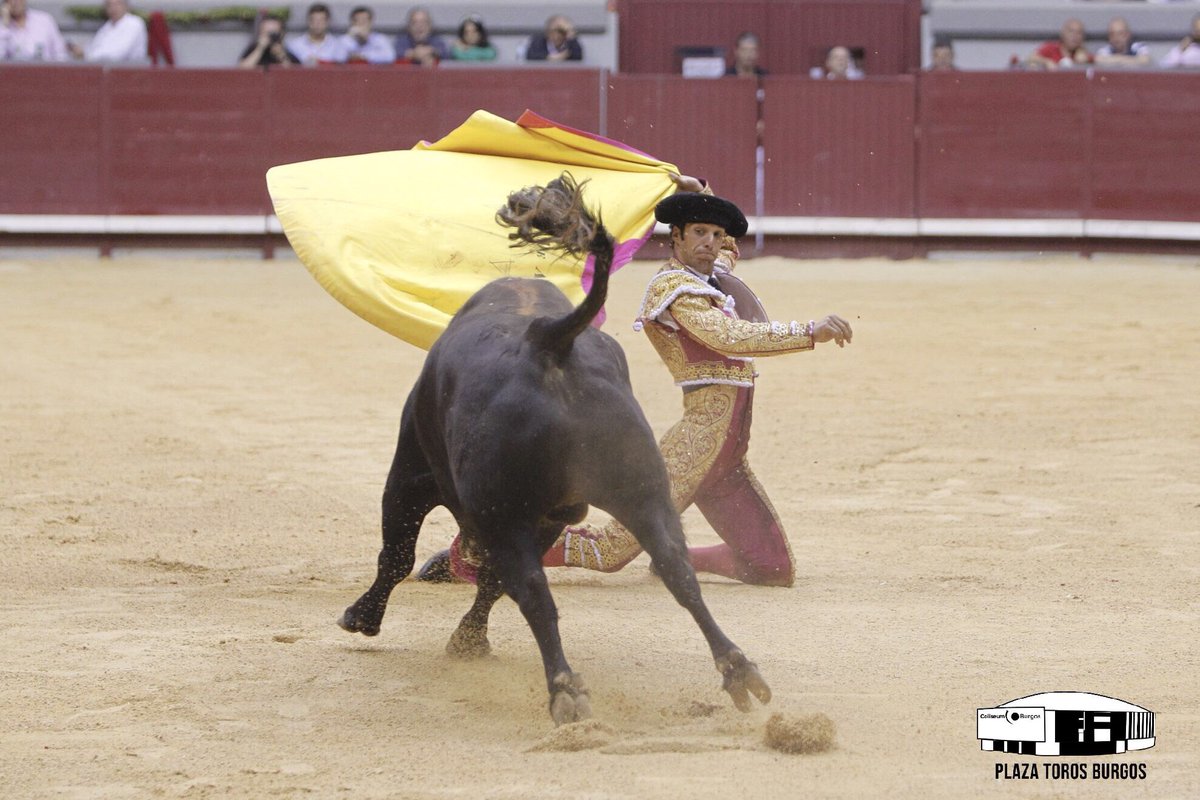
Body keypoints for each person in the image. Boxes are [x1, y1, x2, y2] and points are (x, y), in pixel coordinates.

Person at [420, 175, 853, 587]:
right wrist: (808, 331)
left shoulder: (709, 274)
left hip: (727, 458)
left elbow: (727, 250)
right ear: (676, 236)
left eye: (717, 234)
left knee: (770, 568)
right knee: (608, 551)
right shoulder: (674, 289)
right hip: (698, 445)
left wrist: (702, 194)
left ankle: (675, 557)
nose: (711, 242)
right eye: (699, 232)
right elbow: (727, 336)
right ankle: (483, 548)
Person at [67, 0, 146, 62]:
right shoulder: (107, 26)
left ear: (126, 6)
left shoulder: (134, 23)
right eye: (109, 5)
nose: (113, 8)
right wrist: (82, 52)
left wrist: (86, 55)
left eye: (117, 4)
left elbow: (116, 54)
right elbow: (94, 48)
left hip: (129, 72)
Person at [1, 0, 68, 61]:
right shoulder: (3, 26)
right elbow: (1, 57)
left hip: (45, 69)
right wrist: (4, 26)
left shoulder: (44, 20)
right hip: (15, 70)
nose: (15, 2)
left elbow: (60, 53)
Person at [1027, 18, 1092, 70]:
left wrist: (1084, 63)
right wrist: (1046, 62)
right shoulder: (1051, 48)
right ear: (1063, 33)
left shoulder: (1082, 53)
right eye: (1071, 31)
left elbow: (1096, 60)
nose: (1074, 36)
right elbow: (1031, 58)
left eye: (1079, 33)